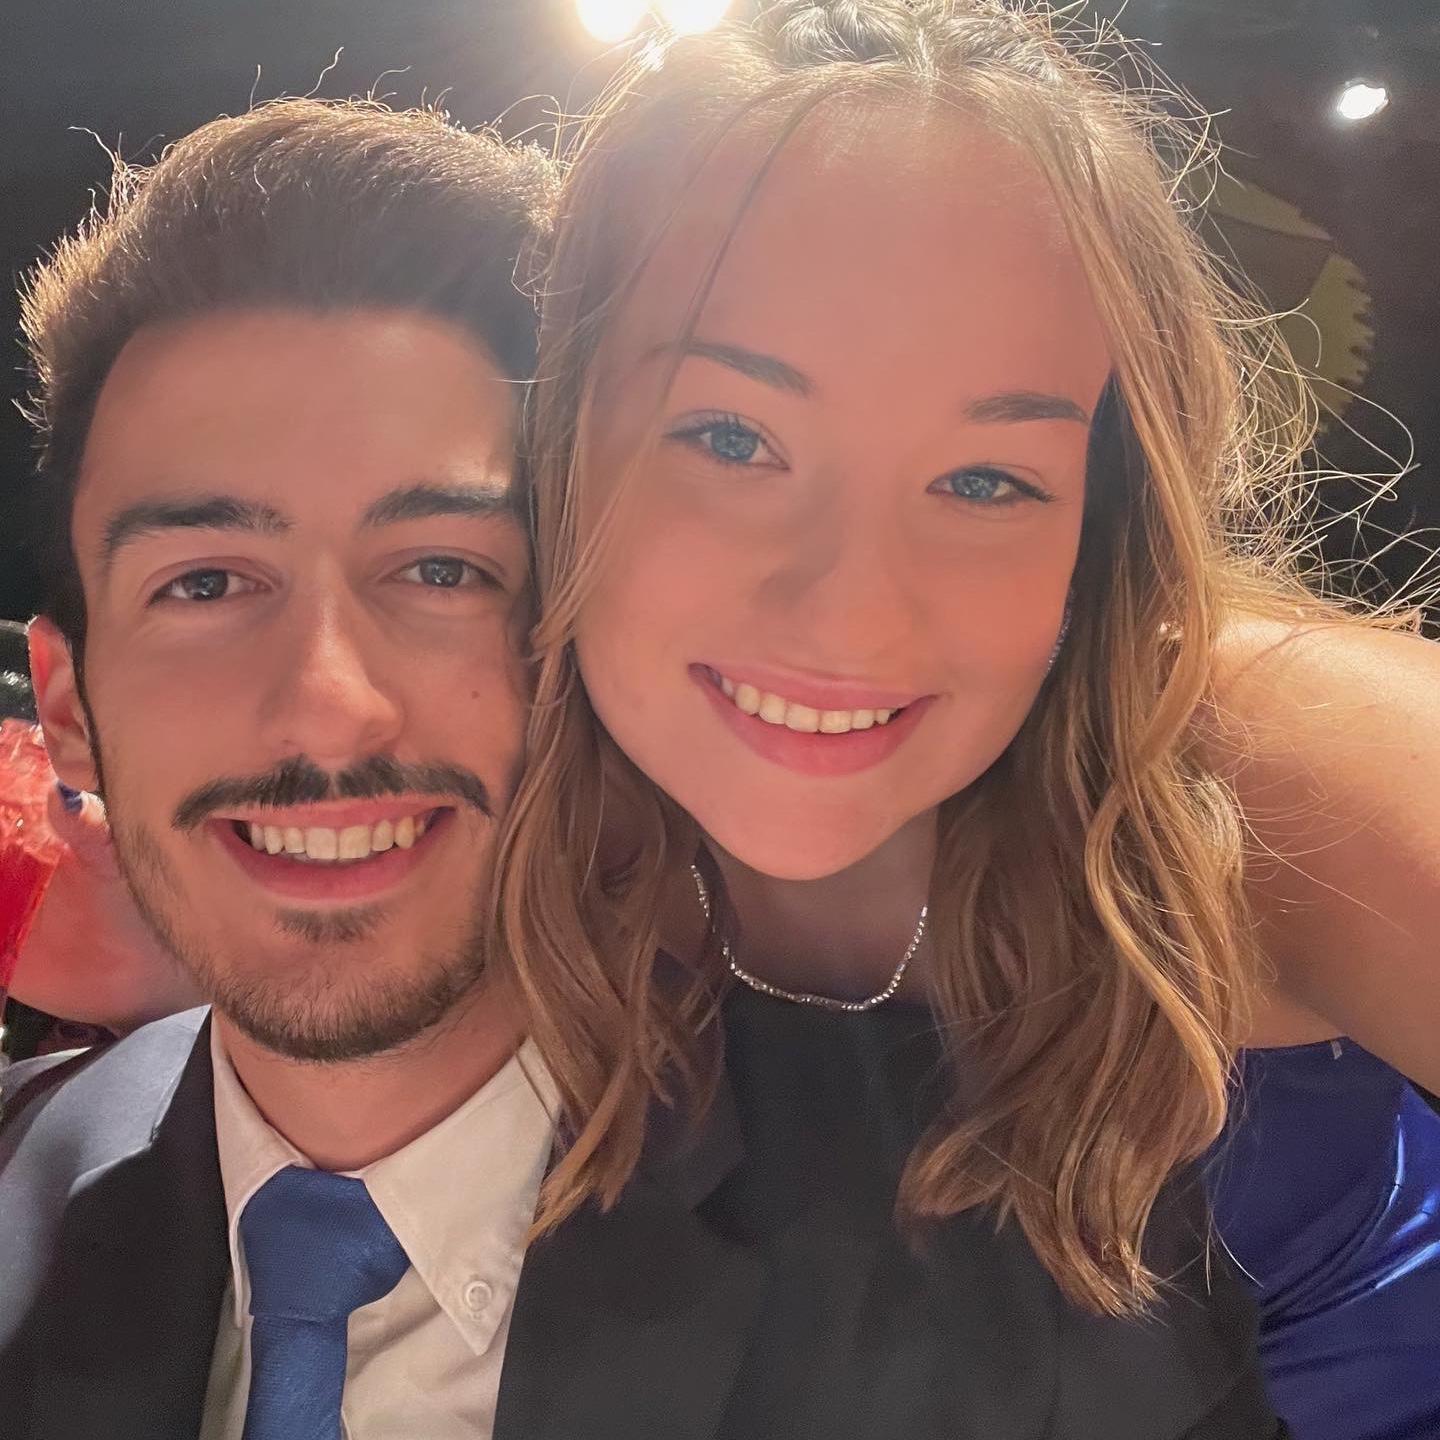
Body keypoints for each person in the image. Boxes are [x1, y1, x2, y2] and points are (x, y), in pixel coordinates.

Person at [0, 96, 1280, 1440]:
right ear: (71, 707)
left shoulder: (1029, 1304)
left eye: (442, 570)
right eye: (205, 584)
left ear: (582, 627)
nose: (328, 710)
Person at [490, 3, 1440, 1436]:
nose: (851, 616)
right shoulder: (482, 826)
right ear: (559, 438)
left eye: (988, 480)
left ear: (1098, 521)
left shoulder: (1240, 754)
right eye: (734, 439)